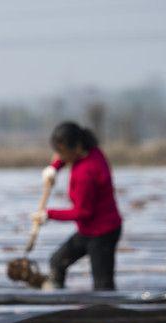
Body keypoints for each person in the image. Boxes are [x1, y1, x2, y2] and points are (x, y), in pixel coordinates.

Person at [32, 121, 122, 290]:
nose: (59, 156)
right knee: (57, 262)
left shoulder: (87, 172)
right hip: (88, 230)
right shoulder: (91, 151)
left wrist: (48, 214)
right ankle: (57, 301)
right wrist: (54, 168)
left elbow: (83, 212)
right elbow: (63, 158)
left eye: (62, 153)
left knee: (103, 287)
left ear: (77, 146)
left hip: (104, 232)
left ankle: (108, 312)